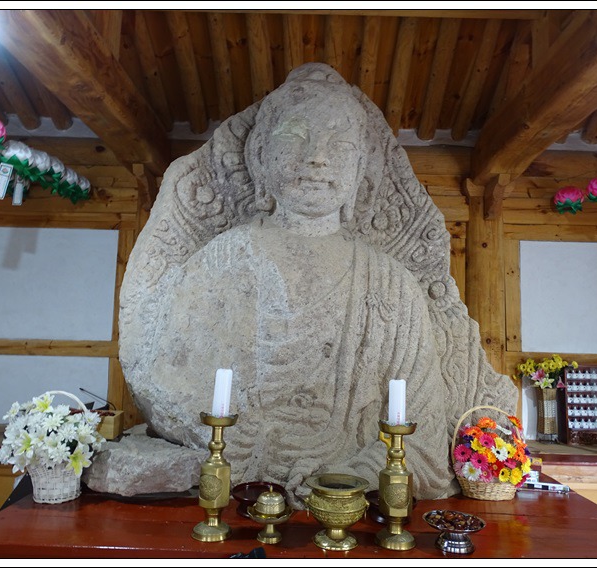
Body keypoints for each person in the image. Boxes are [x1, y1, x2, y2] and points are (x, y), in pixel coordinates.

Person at [119, 63, 516, 503]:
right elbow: (162, 382)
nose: (317, 157)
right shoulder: (224, 260)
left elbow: (422, 447)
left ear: (361, 170)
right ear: (260, 156)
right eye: (295, 136)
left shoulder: (392, 286)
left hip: (348, 503)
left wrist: (348, 476)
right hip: (239, 490)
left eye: (340, 144)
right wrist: (239, 439)